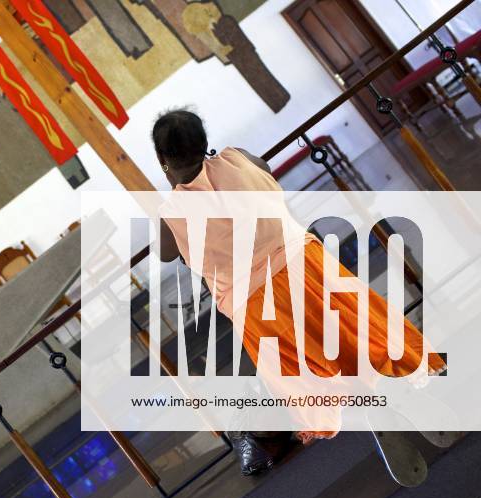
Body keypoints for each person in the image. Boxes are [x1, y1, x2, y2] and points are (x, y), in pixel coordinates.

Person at [152, 109, 446, 475]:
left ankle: (354, 407)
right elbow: (264, 169)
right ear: (203, 142)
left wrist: (177, 189)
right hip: (302, 262)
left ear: (162, 159)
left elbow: (167, 252)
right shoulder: (236, 158)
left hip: (253, 298)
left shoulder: (171, 213)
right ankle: (400, 373)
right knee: (352, 323)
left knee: (299, 363)